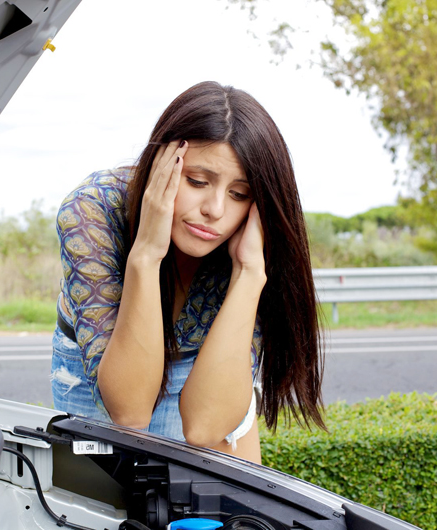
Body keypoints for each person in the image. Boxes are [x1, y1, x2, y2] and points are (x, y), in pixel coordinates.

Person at [51, 81, 325, 463]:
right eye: (197, 181)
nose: (215, 209)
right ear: (161, 164)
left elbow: (205, 428)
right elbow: (129, 413)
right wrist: (146, 254)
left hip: (210, 367)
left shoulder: (254, 236)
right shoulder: (94, 209)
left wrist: (249, 274)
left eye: (239, 194)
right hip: (103, 367)